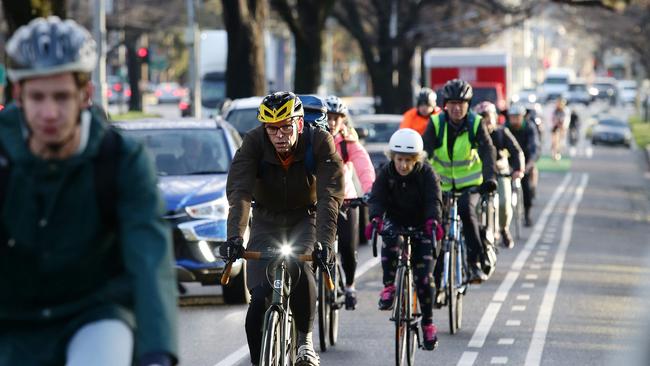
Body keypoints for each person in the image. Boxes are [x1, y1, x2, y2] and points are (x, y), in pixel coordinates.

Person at [0, 17, 178, 366]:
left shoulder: (120, 159)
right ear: (18, 94)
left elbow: (150, 261)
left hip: (95, 313)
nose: (49, 112)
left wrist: (158, 352)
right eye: (37, 97)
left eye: (62, 96)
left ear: (86, 94)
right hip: (12, 319)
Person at [221, 91, 344, 366]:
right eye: (272, 128)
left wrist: (324, 243)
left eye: (286, 126)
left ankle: (305, 342)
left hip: (306, 218)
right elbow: (239, 192)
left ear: (299, 123)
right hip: (266, 219)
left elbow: (330, 196)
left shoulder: (320, 142)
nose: (279, 135)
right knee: (259, 300)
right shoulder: (253, 142)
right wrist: (234, 237)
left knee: (301, 269)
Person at [365, 128, 443, 351]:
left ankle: (428, 323)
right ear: (393, 157)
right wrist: (375, 219)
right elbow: (377, 198)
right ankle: (389, 286)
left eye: (409, 160)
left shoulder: (427, 174)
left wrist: (432, 222)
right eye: (399, 159)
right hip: (396, 221)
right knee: (390, 242)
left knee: (425, 279)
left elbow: (434, 200)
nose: (403, 165)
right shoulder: (386, 173)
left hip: (422, 224)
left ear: (416, 159)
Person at [423, 79, 497, 284]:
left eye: (461, 103)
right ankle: (435, 277)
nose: (457, 108)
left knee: (466, 210)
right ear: (445, 104)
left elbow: (487, 151)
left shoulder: (475, 123)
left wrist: (490, 178)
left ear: (468, 104)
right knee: (437, 225)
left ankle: (474, 263)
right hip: (441, 185)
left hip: (470, 184)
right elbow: (424, 153)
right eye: (452, 103)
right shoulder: (436, 123)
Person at [325, 95, 375, 310]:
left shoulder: (347, 143)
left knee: (347, 245)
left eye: (337, 118)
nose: (332, 122)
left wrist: (371, 190)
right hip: (319, 201)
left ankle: (349, 285)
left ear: (344, 120)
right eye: (329, 117)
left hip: (346, 199)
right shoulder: (313, 139)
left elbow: (364, 166)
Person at [475, 102, 524, 248]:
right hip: (479, 175)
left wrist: (518, 169)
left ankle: (503, 229)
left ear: (495, 118)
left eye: (488, 117)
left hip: (501, 173)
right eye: (481, 117)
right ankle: (478, 232)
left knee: (504, 203)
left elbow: (517, 151)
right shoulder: (473, 135)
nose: (486, 121)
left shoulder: (502, 132)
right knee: (475, 205)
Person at [506, 102, 541, 228]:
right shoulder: (505, 128)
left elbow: (534, 147)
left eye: (517, 117)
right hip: (508, 162)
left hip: (525, 161)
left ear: (523, 117)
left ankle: (527, 214)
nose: (514, 120)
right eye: (512, 117)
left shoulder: (529, 128)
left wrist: (529, 164)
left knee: (526, 186)